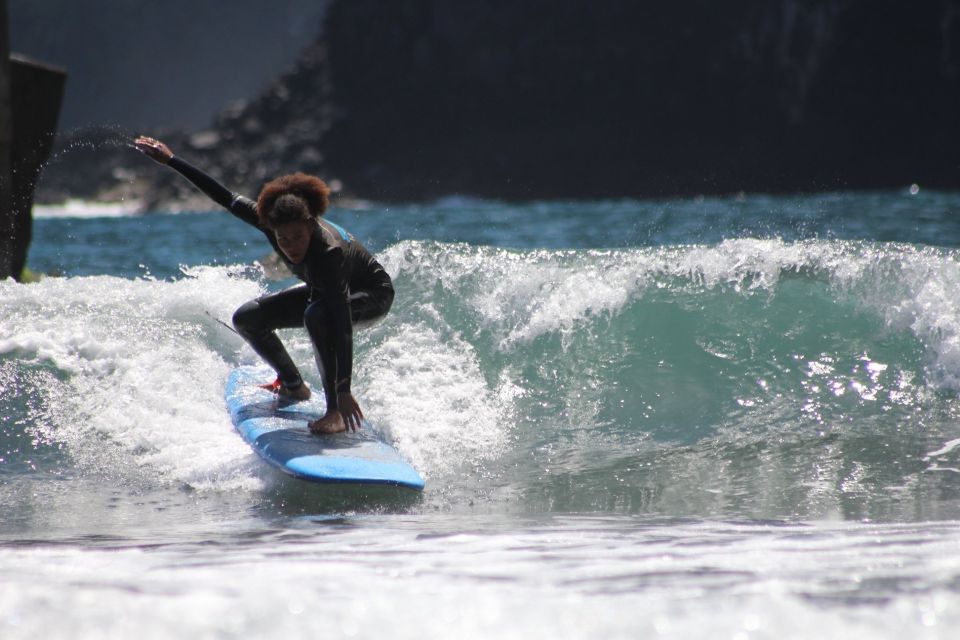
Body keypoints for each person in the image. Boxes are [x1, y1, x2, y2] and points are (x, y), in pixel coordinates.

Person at [134, 136, 394, 434]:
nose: (290, 246)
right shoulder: (269, 222)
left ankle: (333, 411)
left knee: (318, 315)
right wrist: (171, 160)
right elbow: (225, 197)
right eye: (282, 238)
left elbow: (342, 324)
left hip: (371, 295)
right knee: (248, 318)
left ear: (311, 225)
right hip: (323, 292)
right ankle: (294, 385)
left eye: (298, 236)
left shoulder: (329, 254)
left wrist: (344, 390)